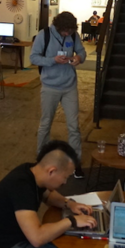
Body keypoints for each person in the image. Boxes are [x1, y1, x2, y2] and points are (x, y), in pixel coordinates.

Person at [29, 12, 87, 178]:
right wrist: (53, 60)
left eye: (70, 31)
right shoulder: (44, 35)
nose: (67, 34)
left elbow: (82, 52)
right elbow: (33, 57)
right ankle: (40, 159)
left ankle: (76, 163)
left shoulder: (73, 35)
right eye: (65, 31)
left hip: (69, 86)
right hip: (49, 86)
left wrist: (78, 58)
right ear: (58, 27)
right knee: (45, 124)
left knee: (74, 126)